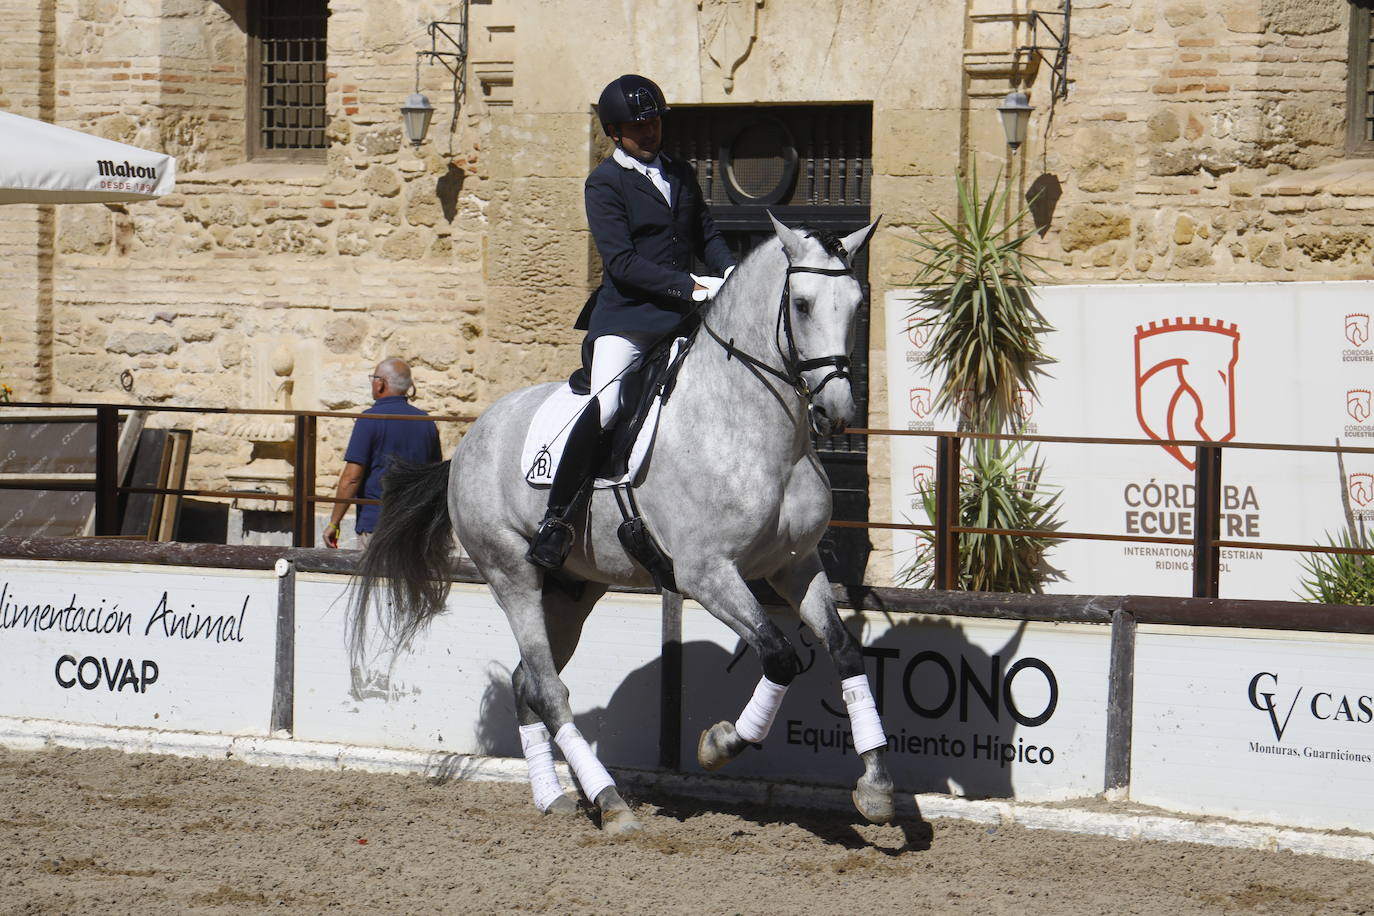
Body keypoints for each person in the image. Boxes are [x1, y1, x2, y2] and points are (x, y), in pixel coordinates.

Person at [526, 73, 735, 570]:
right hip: (629, 320)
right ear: (615, 132)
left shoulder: (680, 173)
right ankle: (558, 519)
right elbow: (621, 263)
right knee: (608, 404)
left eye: (654, 123)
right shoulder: (603, 183)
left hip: (685, 319)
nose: (649, 132)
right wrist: (692, 285)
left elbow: (707, 233)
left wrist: (729, 271)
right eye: (637, 126)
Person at [323, 358, 441, 549]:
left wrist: (334, 523)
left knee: (376, 579)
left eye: (373, 378)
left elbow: (352, 477)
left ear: (381, 384)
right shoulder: (428, 422)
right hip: (417, 525)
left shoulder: (369, 419)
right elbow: (434, 476)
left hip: (378, 523)